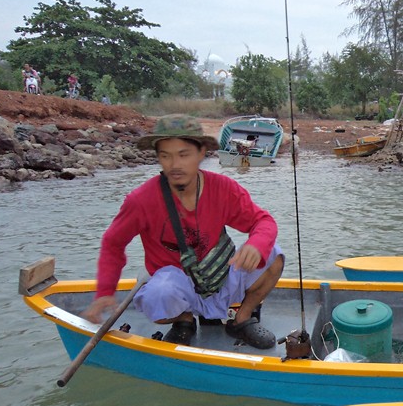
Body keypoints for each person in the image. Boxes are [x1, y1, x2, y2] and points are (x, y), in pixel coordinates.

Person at [81, 116, 284, 347]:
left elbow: (263, 221)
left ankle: (242, 317)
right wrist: (105, 291)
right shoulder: (141, 200)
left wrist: (256, 244)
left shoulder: (223, 189)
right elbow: (113, 243)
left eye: (183, 154)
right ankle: (184, 319)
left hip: (221, 277)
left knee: (274, 255)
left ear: (201, 153)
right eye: (165, 156)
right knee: (157, 294)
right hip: (178, 287)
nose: (174, 165)